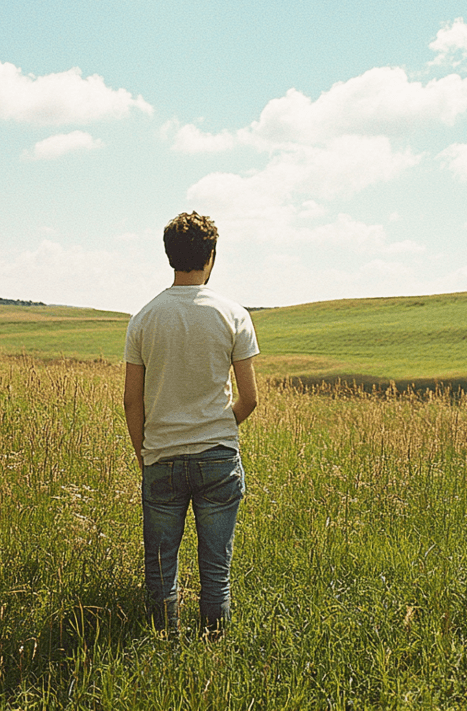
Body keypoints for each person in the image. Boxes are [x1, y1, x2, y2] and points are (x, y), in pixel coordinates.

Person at [123, 211, 259, 635]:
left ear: (169, 256)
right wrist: (218, 426)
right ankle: (214, 653)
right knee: (216, 571)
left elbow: (131, 400)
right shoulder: (233, 315)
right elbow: (250, 399)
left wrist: (145, 453)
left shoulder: (144, 318)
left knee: (161, 572)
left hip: (161, 456)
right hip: (218, 457)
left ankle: (164, 649)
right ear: (211, 256)